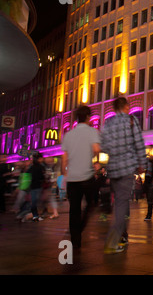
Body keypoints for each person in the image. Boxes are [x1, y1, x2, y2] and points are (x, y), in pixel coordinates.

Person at [100, 97, 147, 254]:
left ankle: (119, 238)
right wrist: (142, 164)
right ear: (126, 106)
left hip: (113, 168)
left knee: (119, 203)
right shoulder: (131, 120)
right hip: (127, 167)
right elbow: (139, 143)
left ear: (114, 108)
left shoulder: (108, 123)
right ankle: (113, 242)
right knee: (121, 204)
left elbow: (104, 147)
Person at [61, 105, 101, 248]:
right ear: (89, 117)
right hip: (86, 176)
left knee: (74, 210)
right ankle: (81, 227)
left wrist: (65, 174)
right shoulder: (92, 131)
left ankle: (75, 239)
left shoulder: (68, 135)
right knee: (91, 203)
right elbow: (96, 149)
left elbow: (64, 158)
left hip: (72, 178)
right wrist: (95, 158)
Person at [29, 153, 46, 221]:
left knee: (34, 202)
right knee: (39, 201)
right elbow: (42, 176)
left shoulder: (31, 167)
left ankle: (35, 215)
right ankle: (39, 215)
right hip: (39, 186)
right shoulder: (41, 167)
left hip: (33, 187)